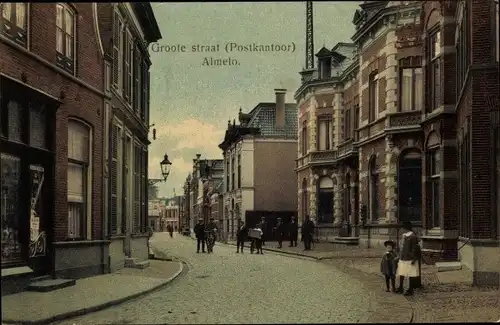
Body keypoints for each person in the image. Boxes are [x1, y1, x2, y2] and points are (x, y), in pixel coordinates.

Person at [396, 221, 420, 296]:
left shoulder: (412, 236)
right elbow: (401, 247)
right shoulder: (404, 235)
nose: (401, 230)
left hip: (409, 258)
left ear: (406, 228)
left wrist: (413, 258)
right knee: (401, 272)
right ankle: (401, 287)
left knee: (410, 274)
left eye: (402, 228)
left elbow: (414, 248)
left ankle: (410, 289)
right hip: (403, 257)